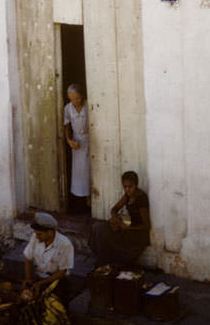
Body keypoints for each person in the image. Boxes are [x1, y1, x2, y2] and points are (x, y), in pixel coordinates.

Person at [89, 170, 150, 266]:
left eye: (130, 187)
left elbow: (146, 226)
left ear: (136, 185)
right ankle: (102, 259)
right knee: (98, 228)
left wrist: (127, 228)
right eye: (125, 187)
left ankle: (109, 261)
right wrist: (116, 219)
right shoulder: (127, 196)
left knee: (106, 235)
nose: (127, 189)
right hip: (126, 226)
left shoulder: (141, 199)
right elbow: (114, 209)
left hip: (137, 233)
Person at [63, 83, 90, 213]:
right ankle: (80, 206)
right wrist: (69, 141)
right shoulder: (68, 108)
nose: (75, 101)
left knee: (91, 172)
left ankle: (91, 203)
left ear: (82, 96)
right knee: (79, 175)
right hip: (76, 143)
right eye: (72, 99)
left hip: (89, 141)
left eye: (77, 98)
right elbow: (67, 126)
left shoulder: (89, 105)